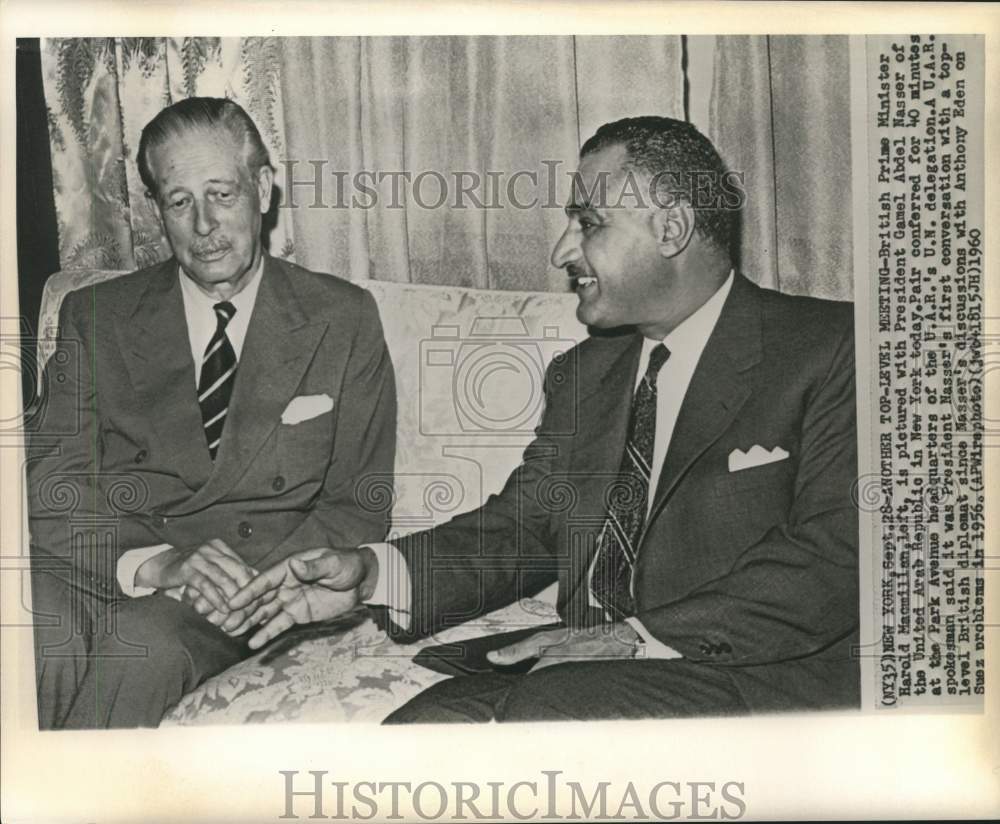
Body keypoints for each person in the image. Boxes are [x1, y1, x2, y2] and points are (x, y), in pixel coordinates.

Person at [229, 115, 860, 722]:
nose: (563, 250)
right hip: (586, 677)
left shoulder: (834, 349)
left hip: (751, 679)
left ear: (671, 230)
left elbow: (838, 557)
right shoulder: (586, 373)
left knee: (543, 717)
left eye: (589, 223)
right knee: (423, 730)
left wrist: (632, 637)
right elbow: (525, 531)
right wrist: (373, 573)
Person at [27, 97, 397, 729]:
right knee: (37, 630)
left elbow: (358, 505)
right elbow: (51, 484)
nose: (203, 225)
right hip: (115, 560)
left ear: (262, 188)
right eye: (179, 201)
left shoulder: (343, 317)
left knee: (139, 649)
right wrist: (157, 562)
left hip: (247, 583)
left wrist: (246, 581)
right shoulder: (96, 316)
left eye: (222, 194)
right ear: (157, 211)